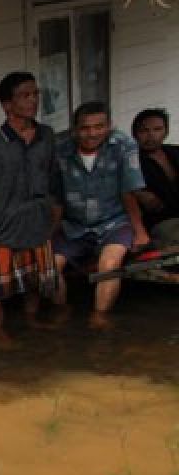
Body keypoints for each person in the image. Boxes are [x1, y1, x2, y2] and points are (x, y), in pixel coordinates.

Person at [0, 71, 59, 341]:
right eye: (25, 95)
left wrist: (51, 213)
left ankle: (31, 322)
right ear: (7, 105)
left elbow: (53, 177)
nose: (33, 101)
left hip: (38, 223)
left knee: (36, 284)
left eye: (35, 94)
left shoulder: (46, 136)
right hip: (3, 227)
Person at [50, 102, 148, 329]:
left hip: (114, 221)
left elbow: (128, 191)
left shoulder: (123, 146)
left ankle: (99, 317)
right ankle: (62, 309)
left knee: (109, 263)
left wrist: (140, 230)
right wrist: (51, 231)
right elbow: (56, 197)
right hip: (74, 224)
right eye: (85, 128)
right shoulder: (61, 150)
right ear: (75, 129)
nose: (92, 133)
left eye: (99, 126)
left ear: (109, 126)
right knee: (50, 267)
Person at [131, 108, 179, 246]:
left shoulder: (175, 152)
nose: (151, 135)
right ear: (135, 134)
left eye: (157, 129)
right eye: (144, 131)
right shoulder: (130, 162)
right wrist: (137, 193)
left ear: (166, 131)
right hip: (161, 222)